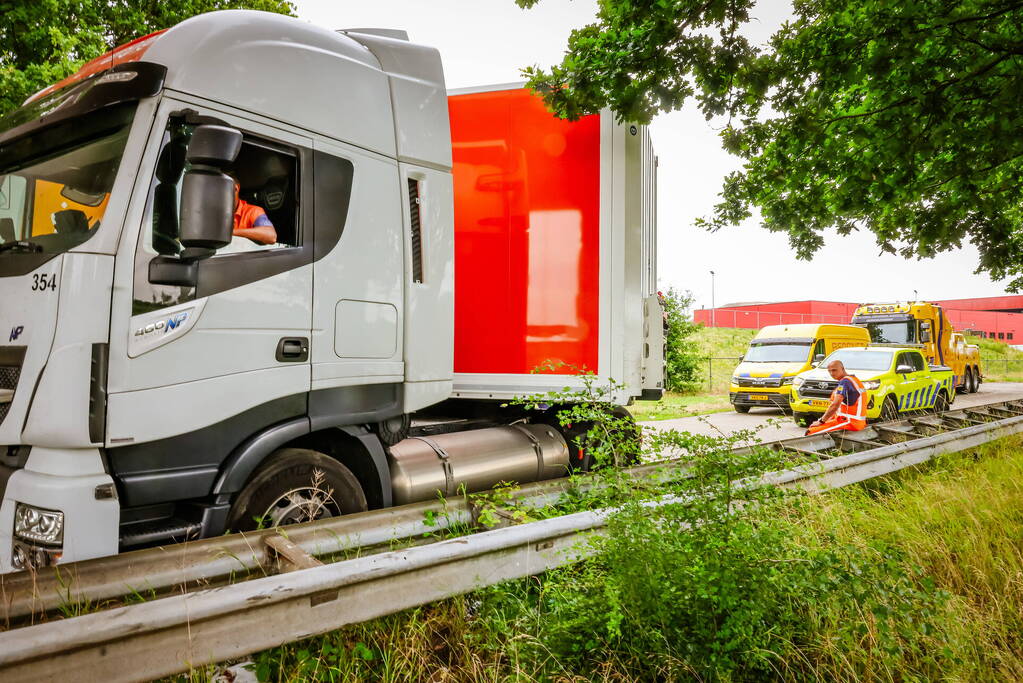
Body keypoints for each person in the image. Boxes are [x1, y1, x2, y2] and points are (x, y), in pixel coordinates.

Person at [806, 360, 867, 435]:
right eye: (829, 371)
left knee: (810, 432)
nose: (832, 373)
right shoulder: (853, 379)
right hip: (851, 421)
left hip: (850, 422)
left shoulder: (845, 382)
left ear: (842, 368)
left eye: (834, 370)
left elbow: (835, 405)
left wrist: (821, 421)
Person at [231, 178, 277, 245]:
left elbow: (271, 236)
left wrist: (230, 233)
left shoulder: (253, 211)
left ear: (236, 188)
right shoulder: (213, 212)